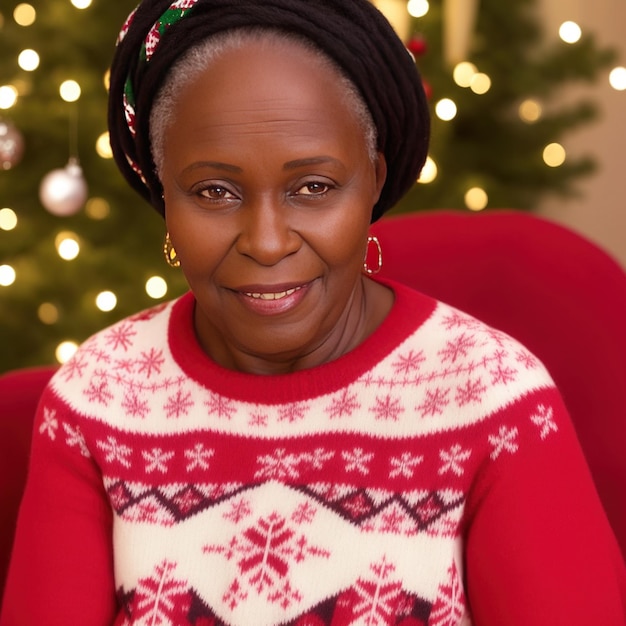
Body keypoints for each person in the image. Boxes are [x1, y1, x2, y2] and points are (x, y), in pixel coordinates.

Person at [2, 0, 625, 623]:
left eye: (314, 188)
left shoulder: (493, 399)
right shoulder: (97, 399)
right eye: (214, 192)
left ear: (373, 182)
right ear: (165, 196)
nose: (267, 242)